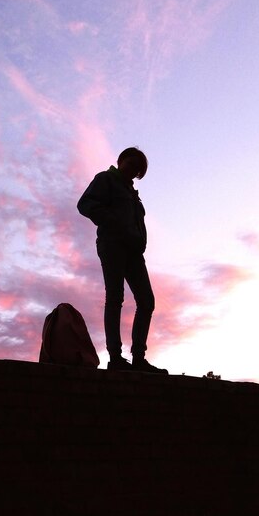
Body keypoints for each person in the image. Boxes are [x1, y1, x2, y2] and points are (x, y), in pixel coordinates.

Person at [77, 148, 168, 374]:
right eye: (132, 164)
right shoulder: (105, 179)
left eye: (138, 169)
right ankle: (115, 358)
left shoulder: (133, 195)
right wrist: (113, 222)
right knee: (115, 297)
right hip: (112, 245)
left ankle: (138, 358)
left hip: (134, 252)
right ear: (121, 160)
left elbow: (137, 224)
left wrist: (140, 241)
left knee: (146, 301)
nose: (134, 170)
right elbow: (85, 204)